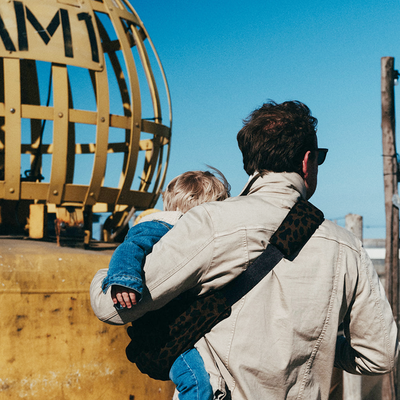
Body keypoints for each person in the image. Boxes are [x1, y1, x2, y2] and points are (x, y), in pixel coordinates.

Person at [91, 100, 398, 400]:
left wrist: (105, 274)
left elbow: (112, 308)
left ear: (250, 160)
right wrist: (319, 345)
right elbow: (379, 356)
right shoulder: (347, 247)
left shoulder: (211, 222)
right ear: (307, 162)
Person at [92, 168, 231, 400]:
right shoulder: (159, 227)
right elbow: (130, 248)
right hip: (163, 335)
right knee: (196, 383)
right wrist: (124, 281)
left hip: (176, 329)